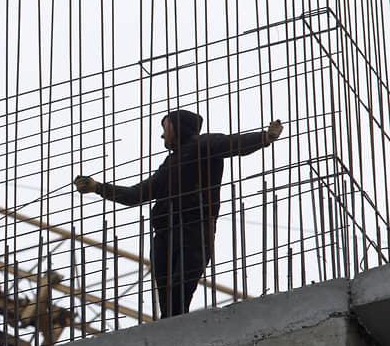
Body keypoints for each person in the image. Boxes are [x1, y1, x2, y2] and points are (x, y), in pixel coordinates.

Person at [74, 110, 283, 318]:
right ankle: (169, 327)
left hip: (193, 230)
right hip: (164, 234)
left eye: (166, 128)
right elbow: (136, 194)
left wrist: (264, 137)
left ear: (179, 127)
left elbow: (233, 143)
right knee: (167, 297)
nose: (162, 135)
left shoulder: (203, 145)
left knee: (178, 288)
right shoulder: (169, 165)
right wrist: (98, 187)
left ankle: (175, 328)